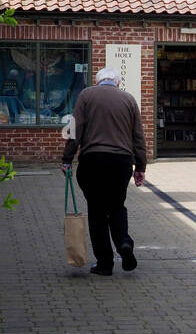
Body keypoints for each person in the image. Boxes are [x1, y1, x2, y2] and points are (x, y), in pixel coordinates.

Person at [60, 67, 147, 275]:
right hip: (121, 162)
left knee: (97, 211)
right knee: (117, 206)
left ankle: (105, 263)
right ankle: (124, 242)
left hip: (93, 160)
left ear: (97, 81)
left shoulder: (86, 95)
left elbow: (75, 128)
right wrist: (140, 167)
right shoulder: (129, 99)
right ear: (117, 83)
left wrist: (67, 159)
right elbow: (138, 136)